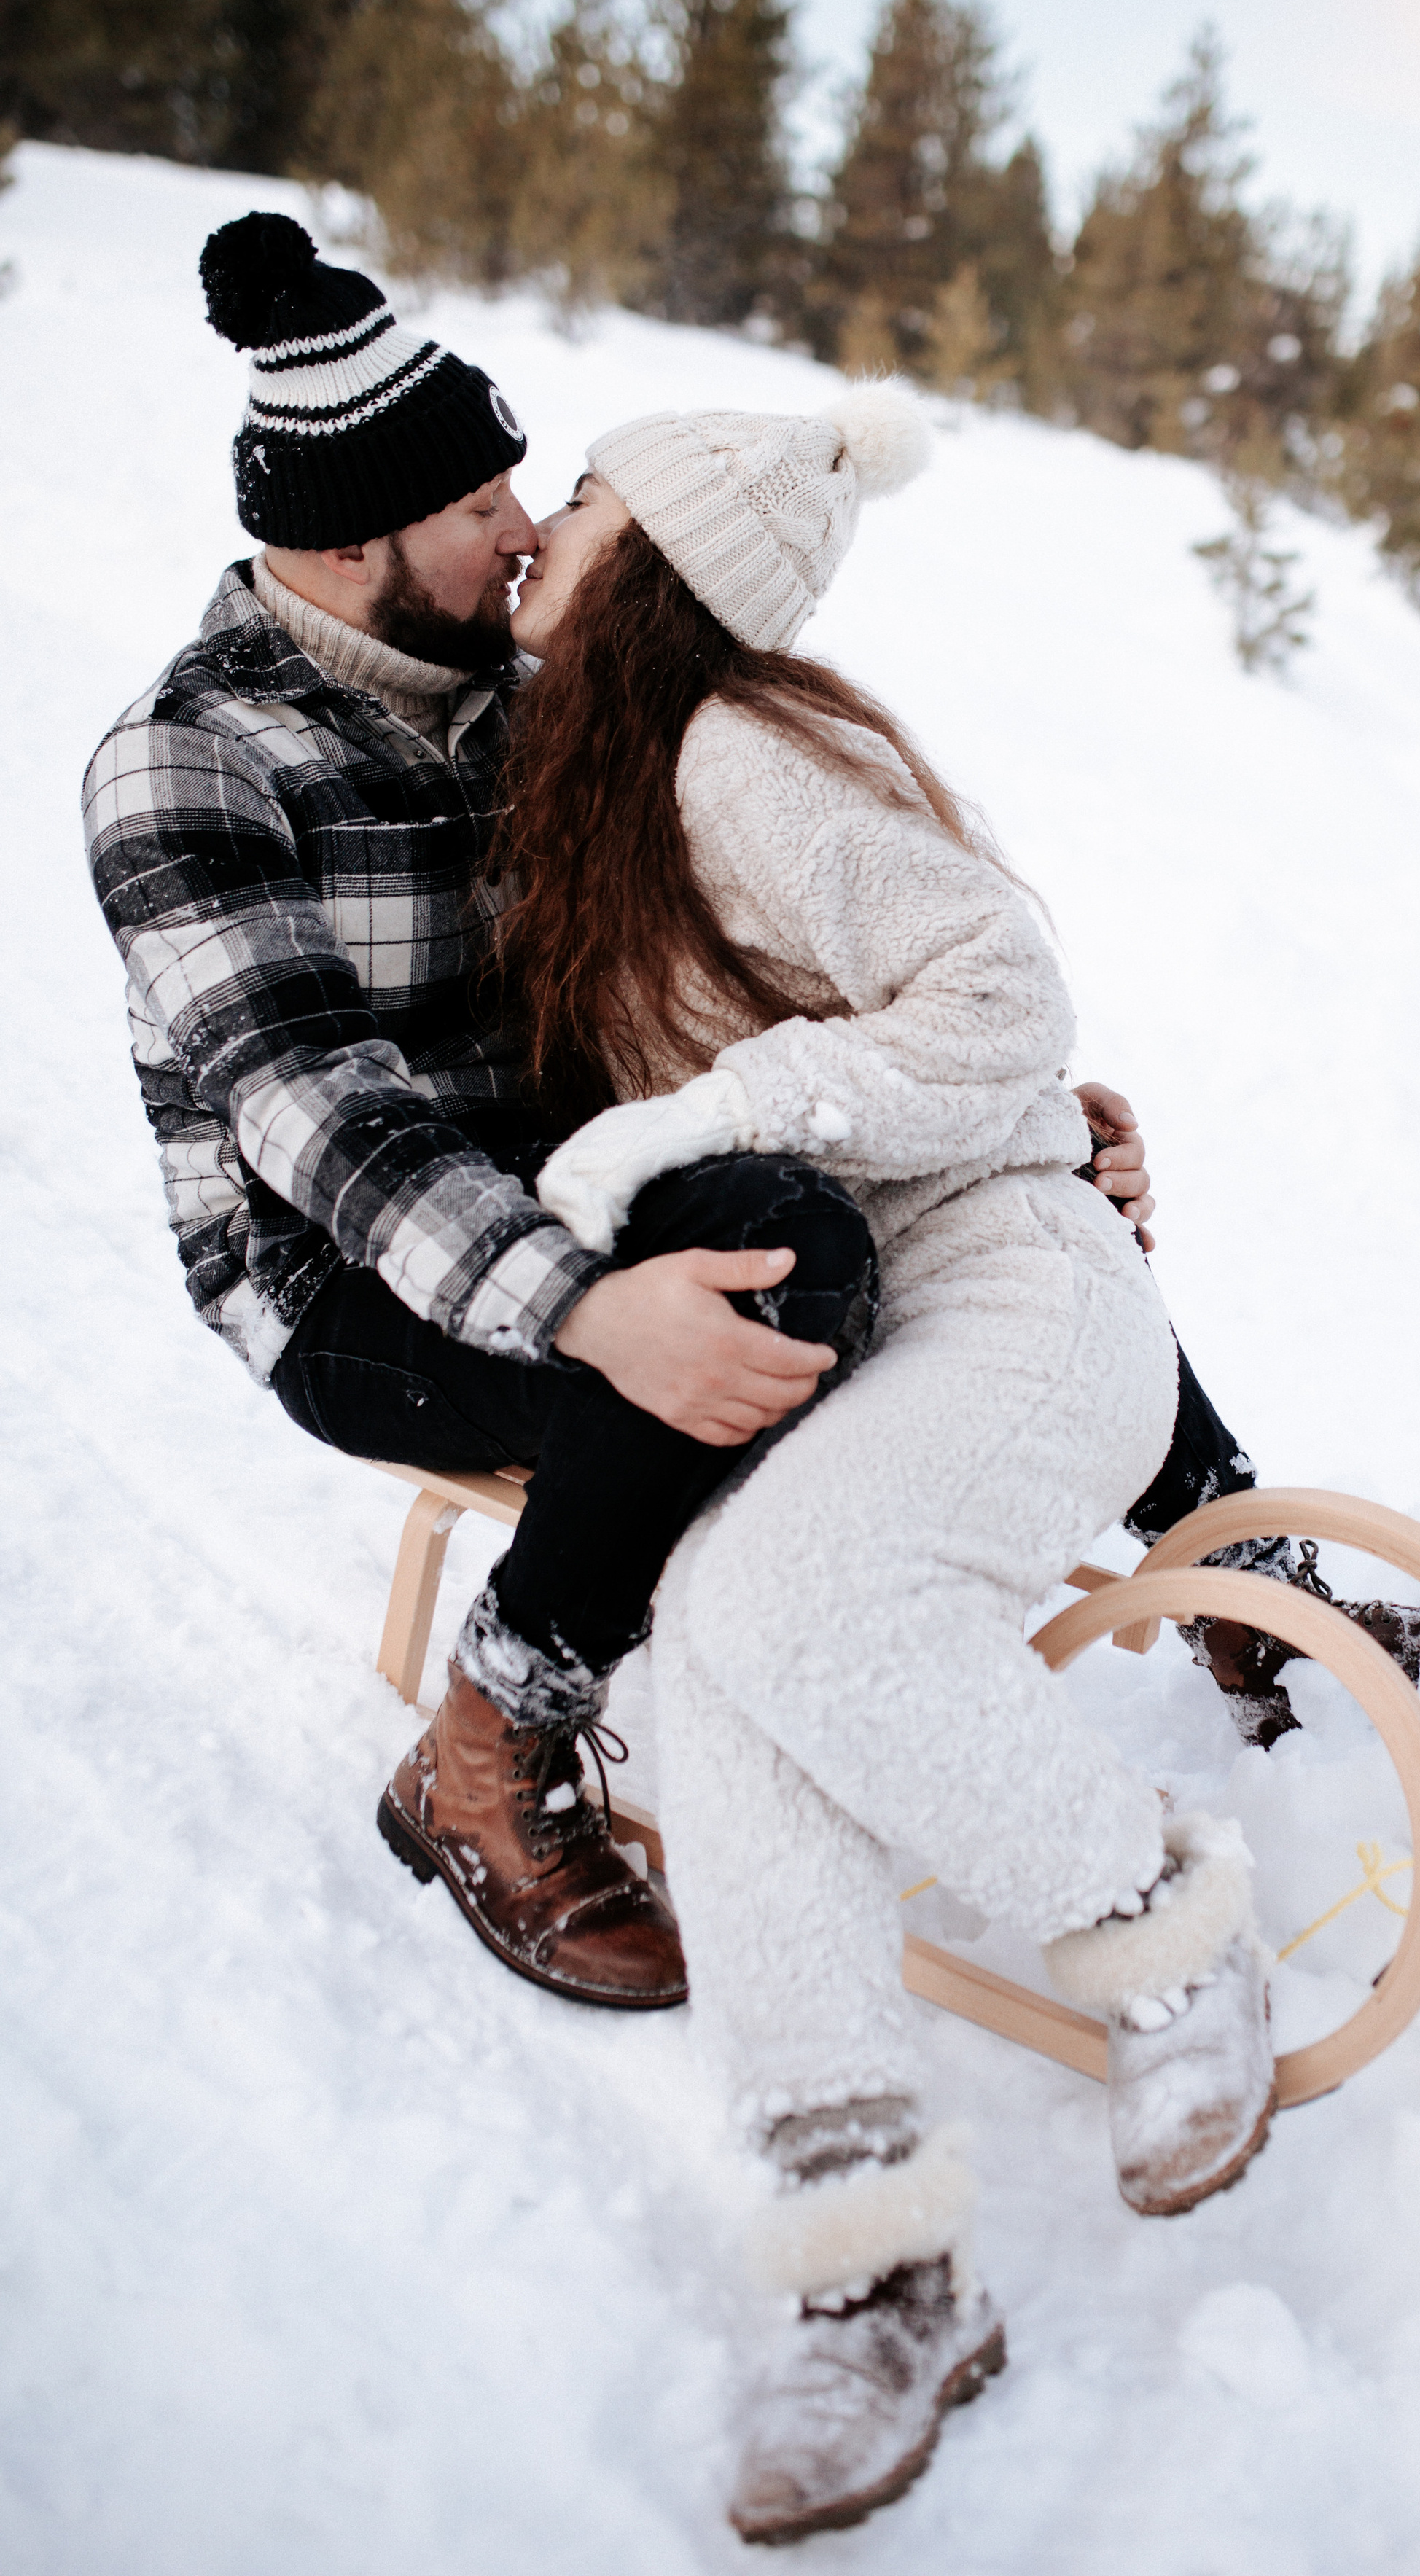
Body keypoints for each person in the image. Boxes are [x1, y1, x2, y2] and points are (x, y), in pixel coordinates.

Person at [79, 212, 1307, 2023]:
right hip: (346, 1276)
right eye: (479, 502)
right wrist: (586, 1309)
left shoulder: (533, 701)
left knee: (933, 1202)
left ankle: (1237, 1560)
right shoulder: (186, 761)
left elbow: (739, 976)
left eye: (528, 491)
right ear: (349, 542)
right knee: (784, 1244)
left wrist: (1016, 1118)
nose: (522, 529)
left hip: (584, 1182)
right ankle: (492, 1740)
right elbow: (316, 1121)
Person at [496, 390, 1284, 2544]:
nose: (546, 520)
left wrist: (713, 1114)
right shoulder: (597, 774)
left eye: (587, 497)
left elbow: (1003, 1002)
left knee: (774, 1598)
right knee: (719, 1640)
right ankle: (872, 2268)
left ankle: (1160, 1931)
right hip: (865, 1319)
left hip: (1016, 1286)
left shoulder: (730, 751)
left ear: (661, 563)